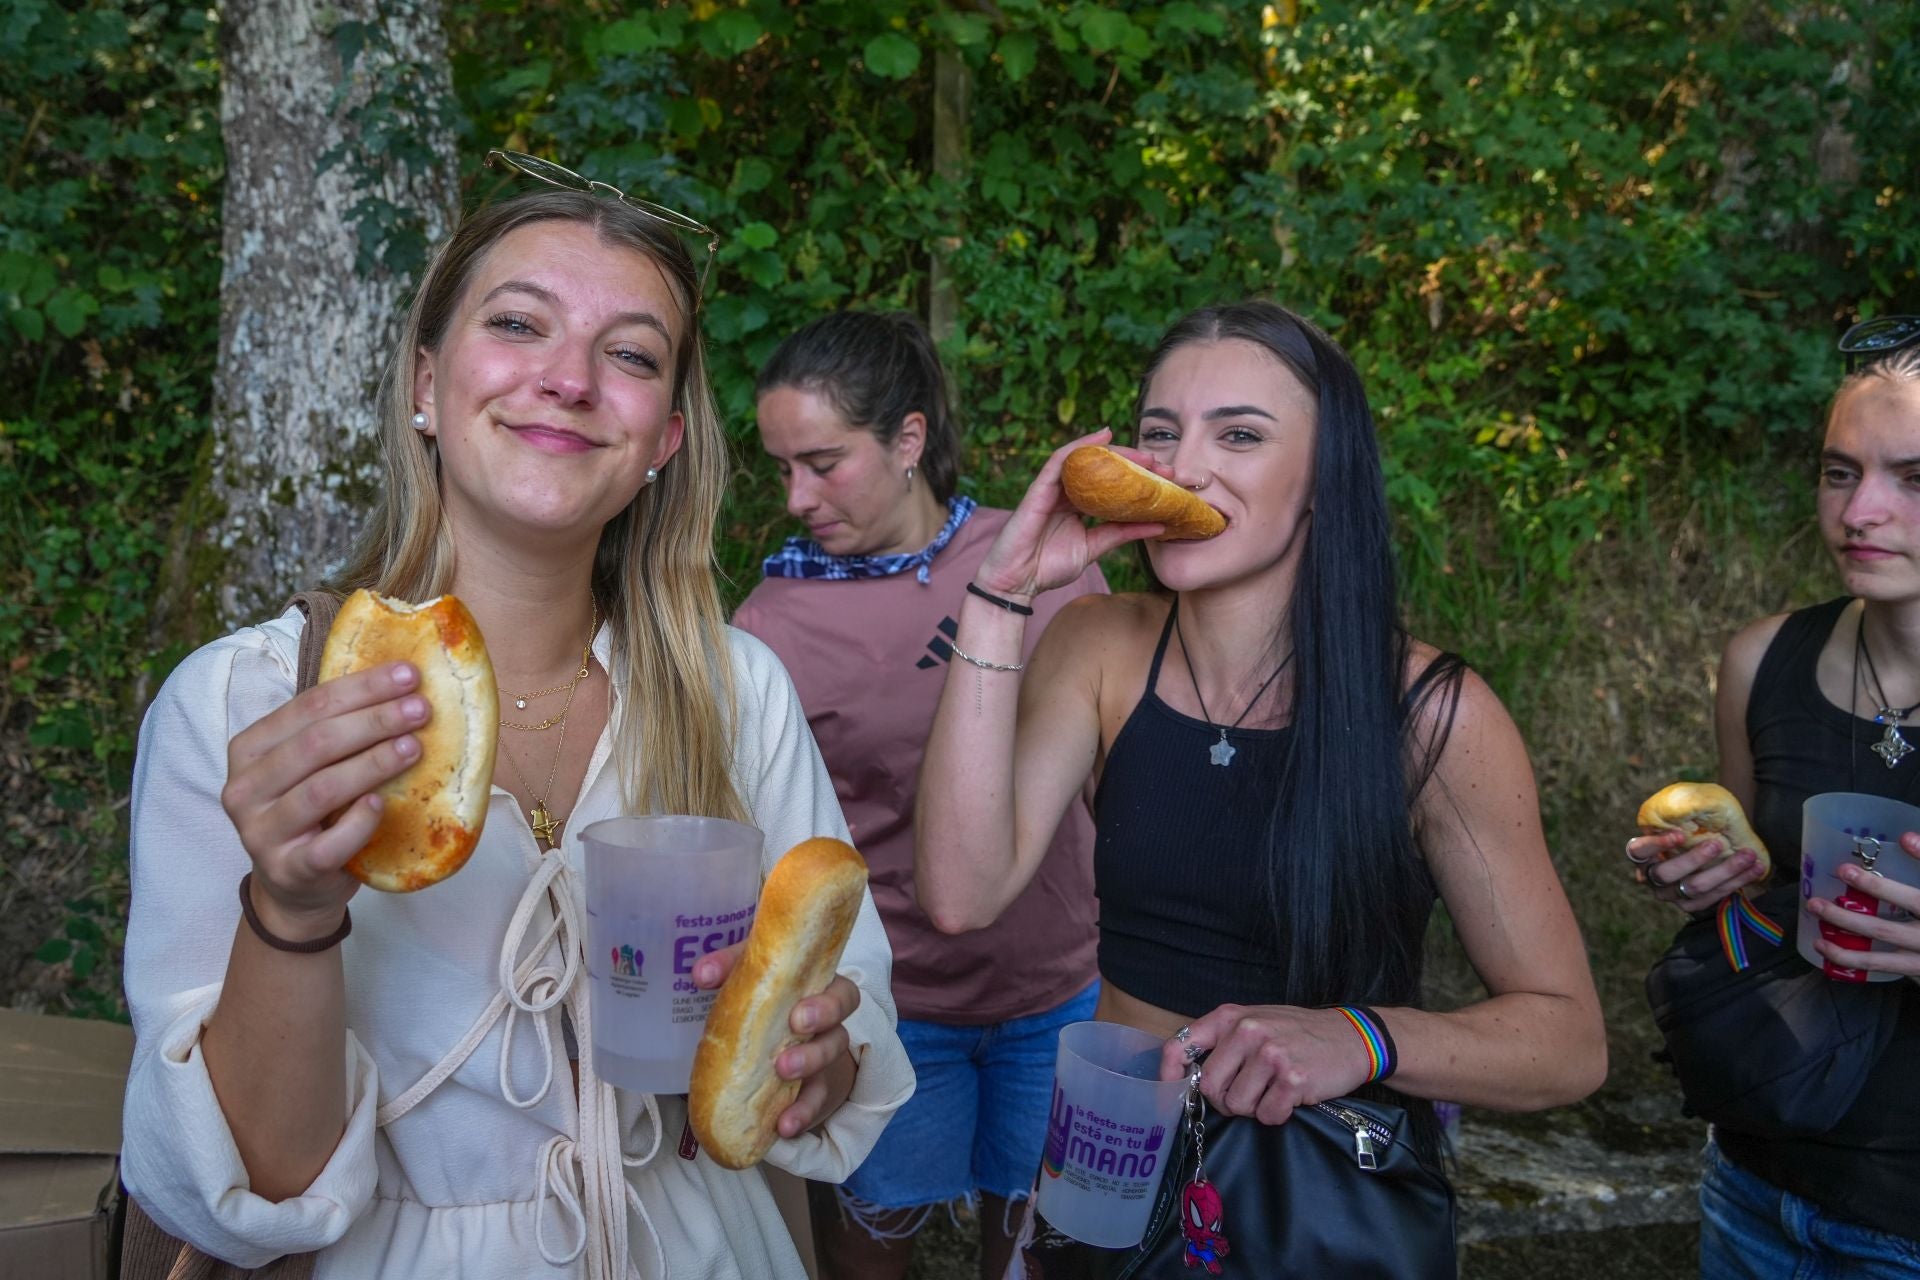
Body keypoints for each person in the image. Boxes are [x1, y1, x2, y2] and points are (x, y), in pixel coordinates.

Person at [118, 154, 913, 1280]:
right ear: (426, 384)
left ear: (666, 440)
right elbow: (260, 1186)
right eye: (520, 324)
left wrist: (821, 1056)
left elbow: (846, 1007)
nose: (570, 379)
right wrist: (292, 904)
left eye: (630, 354)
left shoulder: (738, 694)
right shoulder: (249, 704)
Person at [914, 300, 1608, 1272]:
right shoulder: (1099, 647)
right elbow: (960, 888)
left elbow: (1569, 1039)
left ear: (1324, 481)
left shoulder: (1435, 715)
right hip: (1103, 1169)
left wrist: (1359, 1036)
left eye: (1238, 433)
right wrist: (1000, 596)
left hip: (1317, 1198)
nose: (1185, 466)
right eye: (1162, 433)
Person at [732, 310, 1105, 1280]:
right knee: (866, 1258)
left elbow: (1120, 777)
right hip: (892, 1008)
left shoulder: (1037, 561)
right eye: (781, 468)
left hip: (1059, 991)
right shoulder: (771, 622)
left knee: (1038, 1259)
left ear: (908, 439)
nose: (796, 497)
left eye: (822, 461)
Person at [1624, 334, 1920, 1275]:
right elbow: (1752, 902)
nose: (1860, 512)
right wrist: (1708, 880)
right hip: (1756, 1189)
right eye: (1841, 471)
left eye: (1915, 478)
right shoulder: (1762, 663)